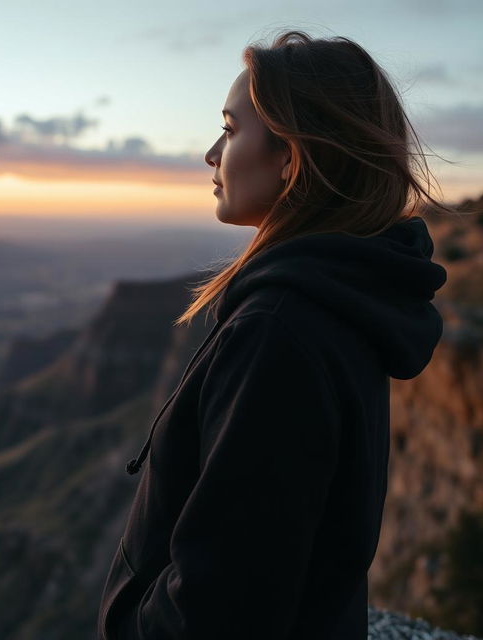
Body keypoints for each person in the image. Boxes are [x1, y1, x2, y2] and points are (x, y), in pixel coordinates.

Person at [97, 29, 454, 639]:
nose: (212, 153)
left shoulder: (278, 333)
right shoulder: (343, 297)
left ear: (291, 157)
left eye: (231, 130)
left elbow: (222, 602)